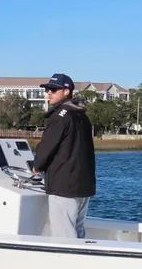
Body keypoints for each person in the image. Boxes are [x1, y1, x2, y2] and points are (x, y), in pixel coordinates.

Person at [32, 73, 96, 238]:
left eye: (53, 90)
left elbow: (47, 145)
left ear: (66, 91)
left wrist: (37, 165)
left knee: (64, 234)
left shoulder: (60, 116)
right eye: (47, 90)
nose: (49, 93)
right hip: (83, 185)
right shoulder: (82, 116)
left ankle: (69, 256)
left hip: (64, 185)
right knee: (78, 230)